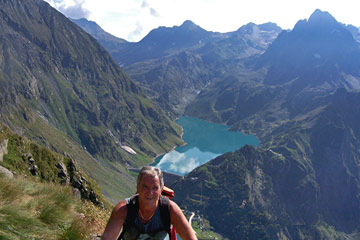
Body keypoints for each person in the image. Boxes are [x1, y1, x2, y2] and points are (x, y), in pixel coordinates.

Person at [102, 166, 198, 240]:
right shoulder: (123, 210)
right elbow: (107, 238)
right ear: (138, 187)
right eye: (145, 187)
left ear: (161, 190)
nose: (150, 193)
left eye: (155, 188)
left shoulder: (170, 210)